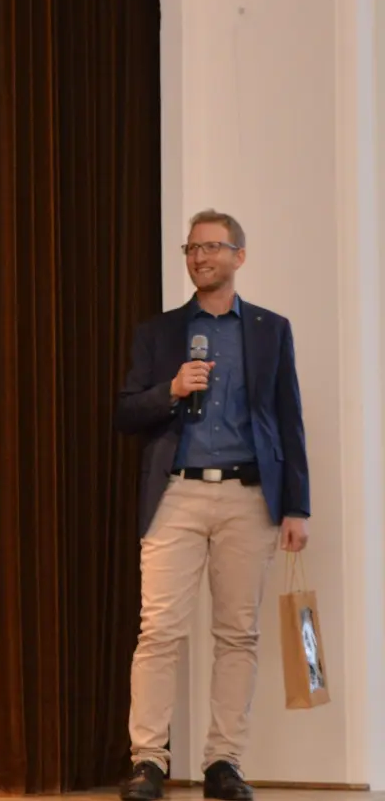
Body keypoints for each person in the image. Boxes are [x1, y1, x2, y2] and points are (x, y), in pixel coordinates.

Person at [115, 210, 309, 801]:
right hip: (176, 492)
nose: (200, 258)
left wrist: (296, 506)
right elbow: (126, 412)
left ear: (238, 257)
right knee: (158, 631)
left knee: (238, 634)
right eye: (192, 248)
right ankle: (148, 760)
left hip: (249, 497)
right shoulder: (160, 333)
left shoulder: (271, 330)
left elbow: (289, 419)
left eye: (213, 248)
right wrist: (170, 391)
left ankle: (223, 762)